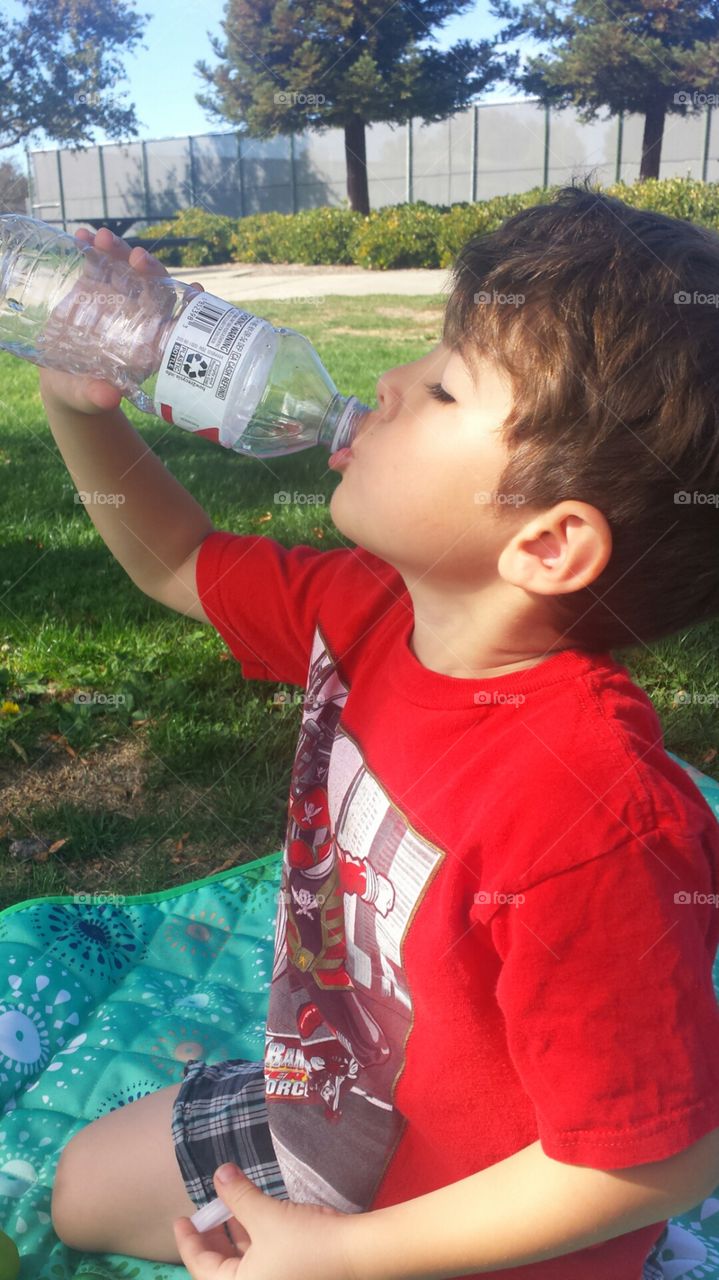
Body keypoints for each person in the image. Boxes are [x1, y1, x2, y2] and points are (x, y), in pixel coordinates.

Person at [45, 180, 719, 1280]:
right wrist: (84, 406)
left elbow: (659, 1159)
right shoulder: (365, 606)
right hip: (334, 1108)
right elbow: (172, 559)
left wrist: (351, 1255)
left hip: (485, 1230)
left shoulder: (591, 815)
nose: (391, 385)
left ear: (546, 545)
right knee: (77, 1190)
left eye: (447, 386)